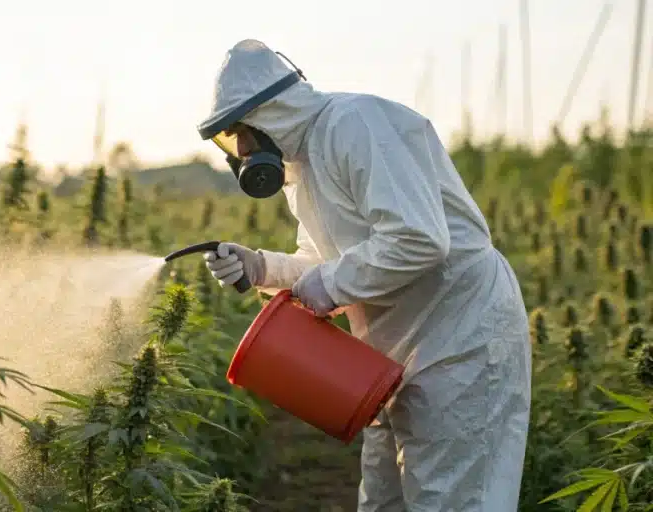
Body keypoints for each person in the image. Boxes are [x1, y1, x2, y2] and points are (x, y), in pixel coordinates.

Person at [199, 39, 532, 511]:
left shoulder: (354, 124)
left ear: (269, 115)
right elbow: (329, 261)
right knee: (383, 501)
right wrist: (262, 267)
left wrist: (327, 285)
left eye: (240, 135)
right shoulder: (305, 167)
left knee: (453, 500)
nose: (242, 152)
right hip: (387, 356)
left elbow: (418, 239)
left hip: (461, 339)